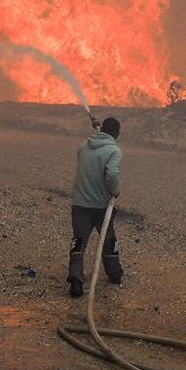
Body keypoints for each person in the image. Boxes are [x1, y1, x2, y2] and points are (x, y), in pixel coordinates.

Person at [67, 117, 124, 298]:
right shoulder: (114, 151)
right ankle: (114, 273)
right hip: (101, 206)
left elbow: (93, 157)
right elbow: (112, 174)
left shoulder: (84, 146)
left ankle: (75, 278)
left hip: (80, 203)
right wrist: (115, 191)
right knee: (109, 239)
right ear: (117, 133)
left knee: (79, 240)